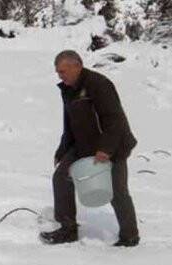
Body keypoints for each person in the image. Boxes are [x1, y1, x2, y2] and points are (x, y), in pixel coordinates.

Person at [40, 50, 140, 247]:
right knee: (61, 178)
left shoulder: (98, 84)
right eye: (58, 72)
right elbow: (70, 123)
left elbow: (115, 119)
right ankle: (68, 230)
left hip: (113, 144)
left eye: (63, 71)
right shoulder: (68, 89)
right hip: (83, 144)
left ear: (77, 66)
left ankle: (129, 236)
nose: (60, 75)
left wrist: (106, 149)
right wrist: (62, 150)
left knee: (117, 190)